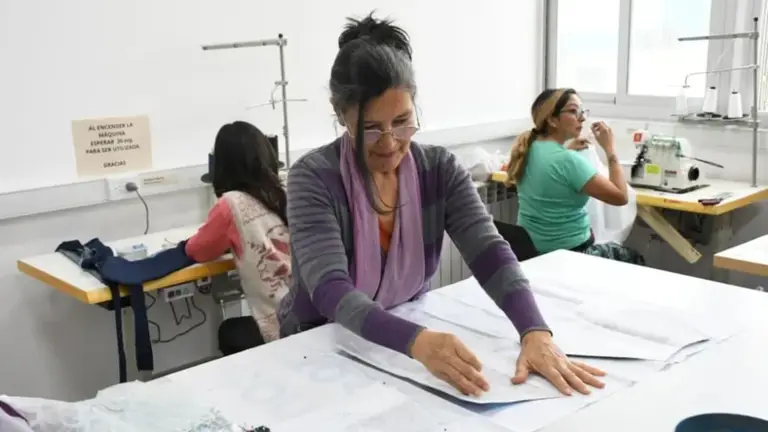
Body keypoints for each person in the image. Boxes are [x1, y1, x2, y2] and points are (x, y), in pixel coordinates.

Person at [278, 13, 605, 397]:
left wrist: (534, 331)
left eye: (402, 121)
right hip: (320, 344)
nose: (389, 143)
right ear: (341, 117)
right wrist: (416, 341)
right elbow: (331, 290)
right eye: (370, 128)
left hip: (400, 337)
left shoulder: (439, 169)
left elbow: (489, 252)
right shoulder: (313, 178)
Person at [506, 88, 644, 264]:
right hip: (569, 255)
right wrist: (610, 149)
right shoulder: (568, 161)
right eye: (573, 111)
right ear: (552, 120)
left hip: (532, 252)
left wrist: (567, 149)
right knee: (634, 259)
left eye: (581, 111)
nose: (582, 118)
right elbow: (621, 197)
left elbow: (551, 168)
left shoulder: (527, 149)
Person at [186, 121, 290, 343]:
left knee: (229, 331)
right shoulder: (286, 190)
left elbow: (197, 250)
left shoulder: (231, 204)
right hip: (312, 314)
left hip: (280, 324)